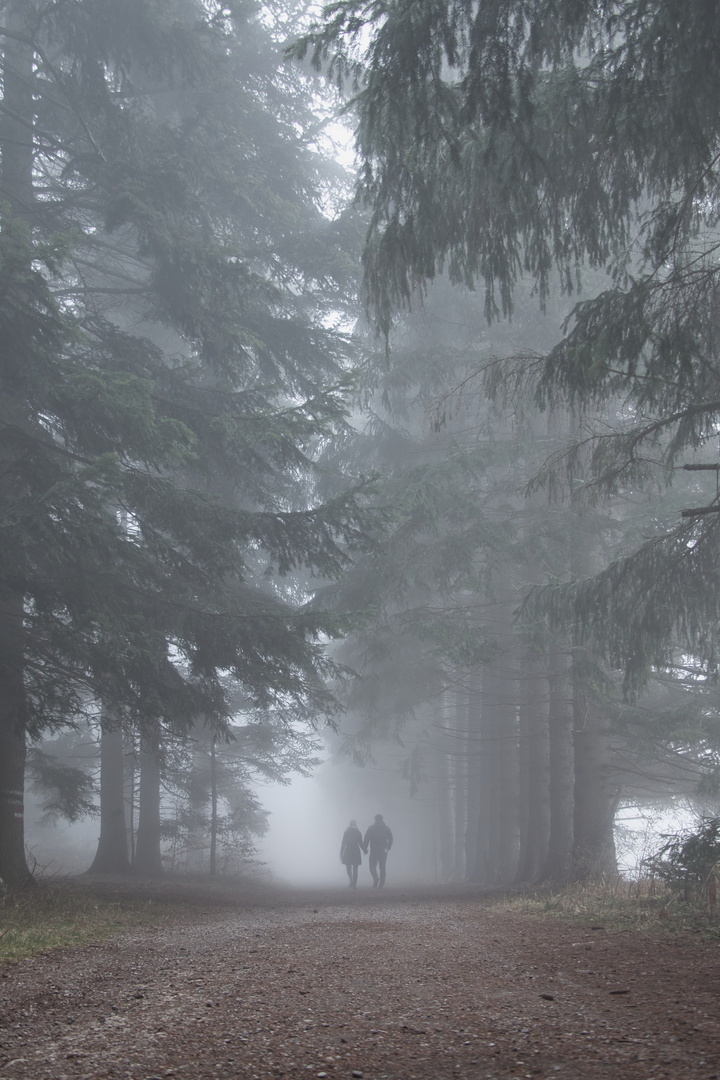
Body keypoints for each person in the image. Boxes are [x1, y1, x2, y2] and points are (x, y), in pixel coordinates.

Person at [363, 813, 393, 888]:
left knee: (372, 866)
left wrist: (365, 848)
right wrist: (388, 846)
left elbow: (366, 838)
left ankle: (375, 877)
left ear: (375, 819)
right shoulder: (386, 828)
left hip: (374, 850)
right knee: (382, 867)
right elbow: (391, 838)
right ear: (382, 819)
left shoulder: (371, 828)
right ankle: (382, 883)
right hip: (383, 850)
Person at [340, 819, 365, 888]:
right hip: (356, 850)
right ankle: (354, 883)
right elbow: (360, 843)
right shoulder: (358, 832)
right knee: (355, 868)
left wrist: (341, 853)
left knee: (348, 867)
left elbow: (343, 843)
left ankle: (351, 880)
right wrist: (365, 850)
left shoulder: (346, 832)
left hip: (348, 850)